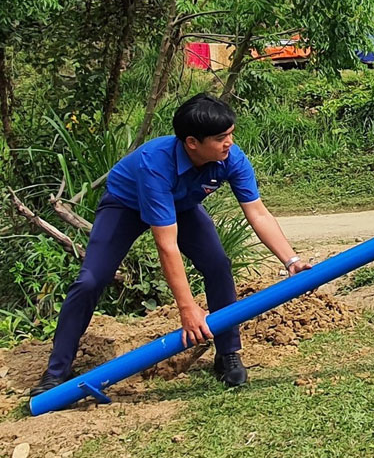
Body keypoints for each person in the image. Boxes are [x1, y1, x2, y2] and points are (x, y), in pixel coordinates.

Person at [30, 94, 312, 397]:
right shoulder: (156, 164)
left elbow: (257, 212)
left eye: (230, 134)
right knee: (90, 281)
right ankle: (56, 371)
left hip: (182, 206)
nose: (229, 143)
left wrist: (291, 260)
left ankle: (227, 353)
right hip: (125, 206)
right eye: (220, 138)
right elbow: (167, 246)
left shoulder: (231, 158)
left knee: (217, 265)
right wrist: (187, 308)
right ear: (192, 142)